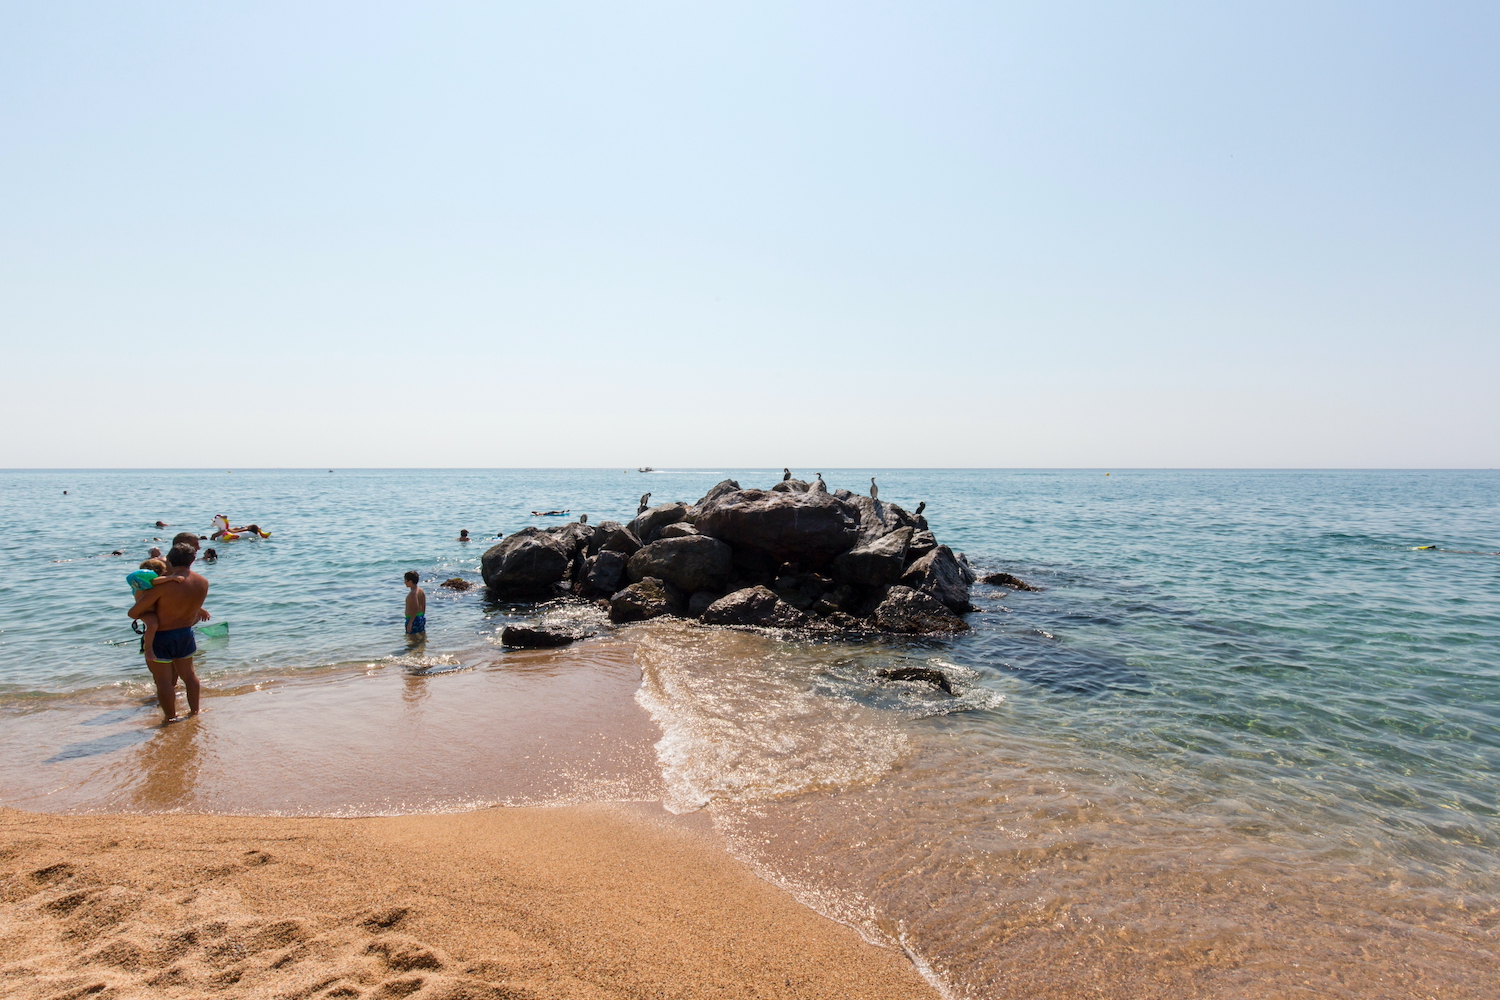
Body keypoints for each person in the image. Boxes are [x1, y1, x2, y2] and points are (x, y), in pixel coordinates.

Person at [129, 543, 210, 721]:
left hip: (161, 636)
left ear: (170, 561)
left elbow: (133, 613)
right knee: (190, 676)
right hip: (185, 634)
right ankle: (195, 711)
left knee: (164, 681)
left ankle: (170, 717)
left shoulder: (161, 586)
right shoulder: (203, 582)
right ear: (193, 560)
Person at [126, 557, 184, 669]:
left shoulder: (151, 585)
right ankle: (148, 650)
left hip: (153, 611)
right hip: (145, 611)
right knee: (152, 625)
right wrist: (172, 577)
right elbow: (154, 581)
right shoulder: (146, 583)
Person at [404, 571, 427, 636]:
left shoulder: (412, 594)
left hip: (413, 619)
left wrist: (410, 623)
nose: (404, 582)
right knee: (422, 636)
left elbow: (415, 608)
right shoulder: (421, 590)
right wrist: (422, 616)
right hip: (421, 616)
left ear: (410, 581)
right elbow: (424, 604)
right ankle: (422, 646)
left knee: (412, 639)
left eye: (405, 580)